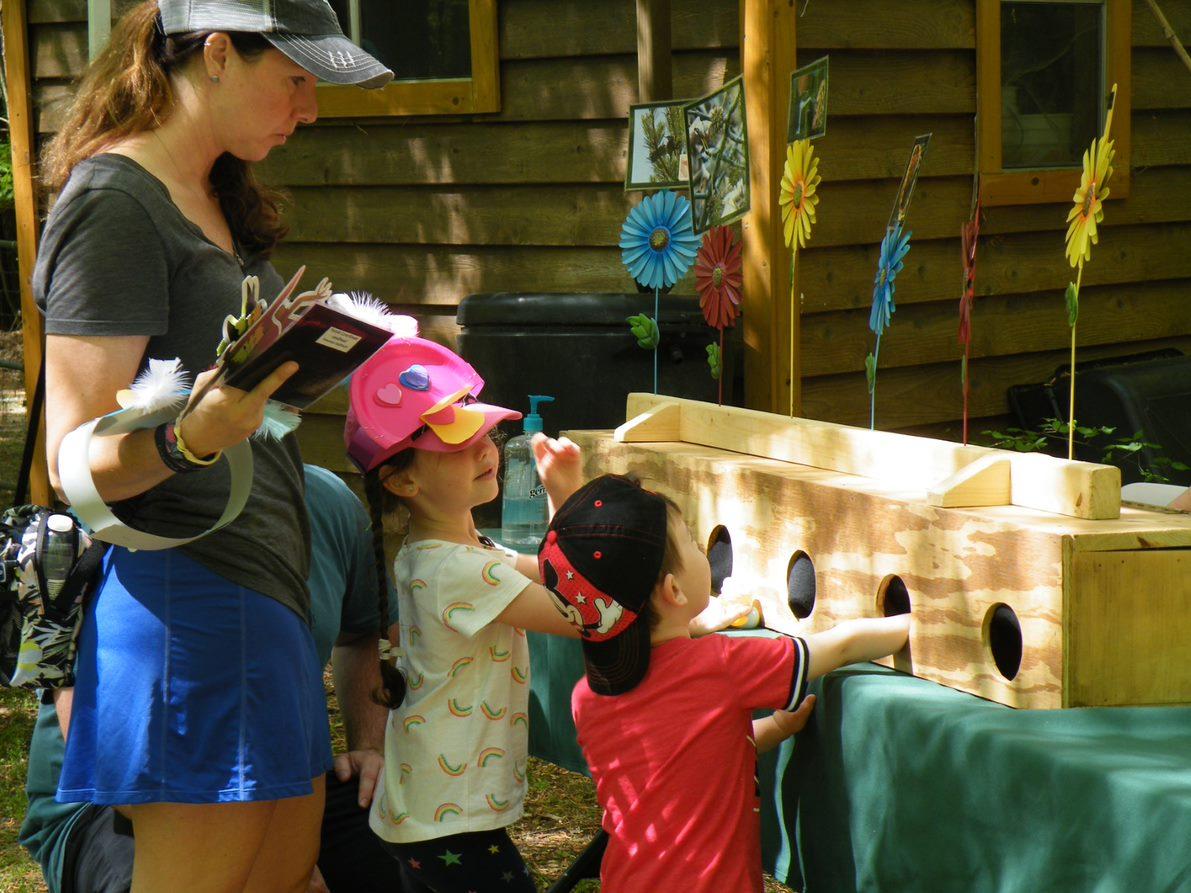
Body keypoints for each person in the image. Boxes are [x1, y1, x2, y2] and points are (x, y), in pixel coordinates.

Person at [35, 2, 392, 890]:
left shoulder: (213, 193)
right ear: (218, 54)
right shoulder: (115, 202)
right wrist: (191, 437)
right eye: (297, 78)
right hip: (184, 608)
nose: (309, 108)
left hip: (262, 602)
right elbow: (70, 462)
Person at [342, 337, 748, 891]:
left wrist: (563, 505)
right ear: (404, 481)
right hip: (450, 819)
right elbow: (586, 614)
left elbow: (556, 574)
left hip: (433, 811)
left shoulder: (459, 551)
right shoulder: (457, 569)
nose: (487, 451)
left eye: (486, 435)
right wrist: (685, 623)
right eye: (460, 446)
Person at [20, 465, 403, 893]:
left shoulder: (326, 497)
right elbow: (72, 690)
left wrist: (367, 745)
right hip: (114, 795)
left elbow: (363, 628)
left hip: (279, 773)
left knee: (398, 864)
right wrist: (261, 863)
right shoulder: (125, 490)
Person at [539, 474, 910, 891]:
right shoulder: (720, 666)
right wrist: (917, 622)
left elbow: (688, 754)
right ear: (674, 590)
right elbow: (837, 649)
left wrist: (774, 728)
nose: (703, 551)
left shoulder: (586, 696)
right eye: (695, 543)